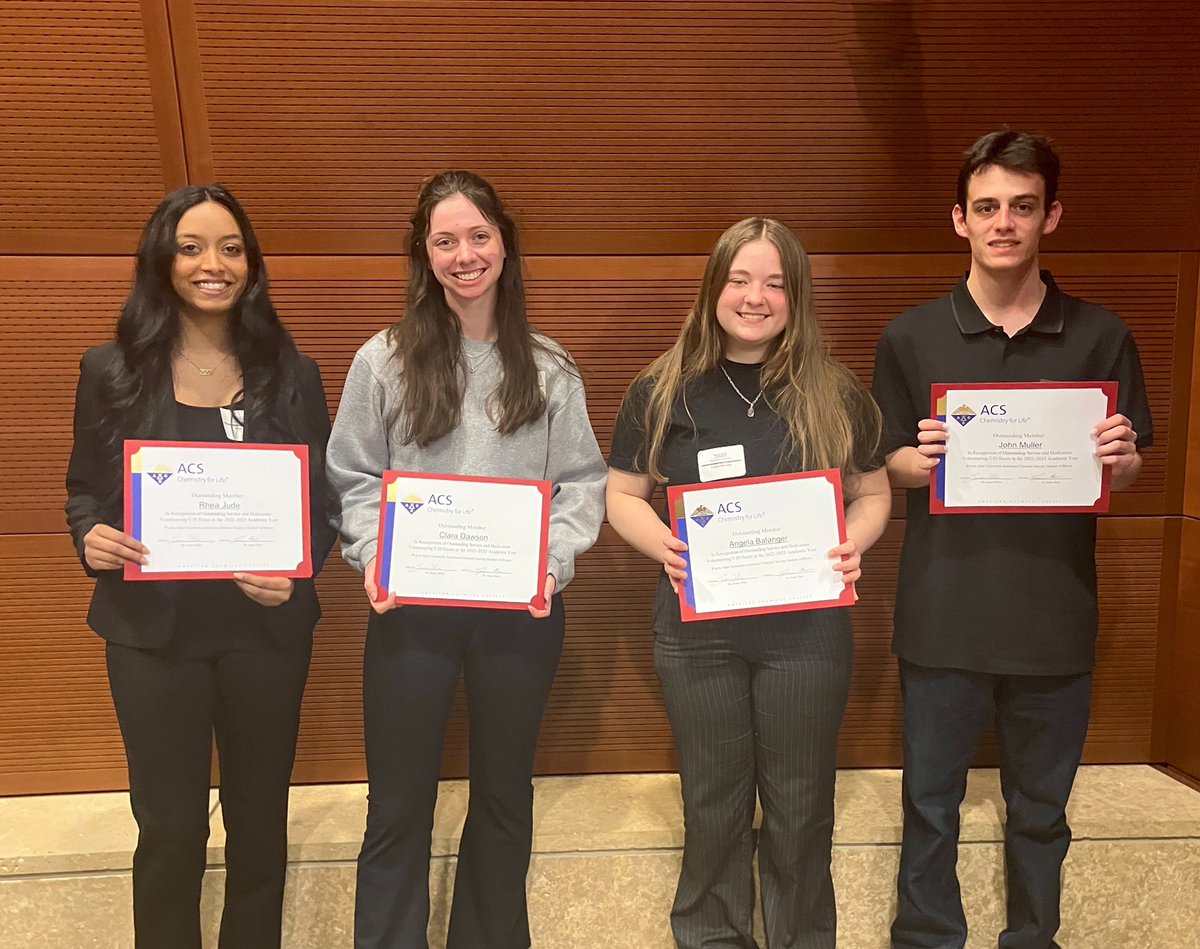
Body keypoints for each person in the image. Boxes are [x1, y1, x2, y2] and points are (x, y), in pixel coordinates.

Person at [872, 130, 1152, 949]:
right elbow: (883, 459)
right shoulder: (910, 336)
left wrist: (1123, 461)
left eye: (1022, 207)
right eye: (987, 207)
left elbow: (1123, 470)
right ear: (958, 219)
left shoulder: (1101, 334)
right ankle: (926, 939)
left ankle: (1034, 937)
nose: (1004, 223)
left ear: (1051, 216)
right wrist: (914, 464)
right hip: (941, 615)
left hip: (1055, 618)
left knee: (1041, 810)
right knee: (929, 802)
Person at [326, 170, 607, 949]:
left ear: (505, 245)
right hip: (409, 613)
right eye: (445, 240)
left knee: (503, 799)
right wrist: (375, 558)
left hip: (518, 615)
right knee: (398, 805)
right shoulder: (381, 360)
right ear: (424, 252)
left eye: (479, 236)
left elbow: (582, 483)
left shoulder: (549, 368)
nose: (464, 254)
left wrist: (549, 565)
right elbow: (349, 475)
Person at [606, 217, 892, 949]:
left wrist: (848, 546)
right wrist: (667, 547)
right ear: (714, 289)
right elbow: (620, 495)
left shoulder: (835, 391)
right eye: (739, 279)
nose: (755, 297)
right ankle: (710, 936)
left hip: (806, 636)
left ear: (795, 296)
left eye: (773, 282)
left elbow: (875, 493)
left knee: (801, 803)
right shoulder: (662, 386)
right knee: (713, 801)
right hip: (696, 636)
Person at [64, 184, 337, 948]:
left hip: (265, 632)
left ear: (250, 264)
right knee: (169, 824)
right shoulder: (110, 369)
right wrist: (91, 538)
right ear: (163, 260)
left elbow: (322, 508)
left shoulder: (293, 373)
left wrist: (300, 567)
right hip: (152, 634)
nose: (212, 264)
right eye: (191, 247)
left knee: (259, 819)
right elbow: (85, 490)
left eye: (230, 248)